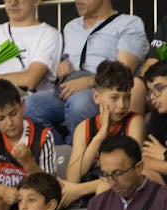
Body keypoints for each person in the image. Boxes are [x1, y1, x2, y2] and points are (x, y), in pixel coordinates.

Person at [23, 0, 147, 136]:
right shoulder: (71, 26)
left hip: (102, 90)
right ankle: (61, 151)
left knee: (79, 104)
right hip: (67, 87)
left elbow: (123, 71)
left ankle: (79, 153)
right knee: (28, 106)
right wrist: (61, 64)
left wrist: (87, 82)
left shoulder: (129, 24)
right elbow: (67, 58)